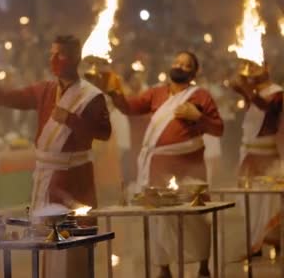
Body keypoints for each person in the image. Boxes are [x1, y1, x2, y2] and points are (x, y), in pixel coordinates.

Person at [0, 35, 111, 278]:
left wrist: (72, 120)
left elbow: (104, 133)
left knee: (74, 244)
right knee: (46, 244)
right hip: (46, 176)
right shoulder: (45, 90)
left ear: (75, 59)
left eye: (59, 55)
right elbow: (5, 98)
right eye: (51, 54)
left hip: (76, 179)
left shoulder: (92, 96)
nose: (53, 59)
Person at [98, 50, 223, 278]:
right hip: (158, 166)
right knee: (159, 218)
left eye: (186, 65)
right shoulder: (156, 93)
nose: (179, 66)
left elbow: (218, 128)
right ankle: (163, 268)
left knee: (196, 216)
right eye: (177, 61)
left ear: (193, 72)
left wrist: (198, 117)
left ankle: (203, 266)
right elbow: (129, 108)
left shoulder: (201, 96)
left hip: (189, 164)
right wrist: (114, 92)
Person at [231, 60, 283, 256]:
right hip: (249, 155)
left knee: (268, 203)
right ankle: (256, 244)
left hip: (268, 157)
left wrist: (248, 91)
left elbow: (269, 110)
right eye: (250, 66)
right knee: (250, 204)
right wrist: (242, 87)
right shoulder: (252, 93)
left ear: (267, 68)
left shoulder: (278, 93)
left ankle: (273, 244)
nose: (252, 69)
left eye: (257, 66)